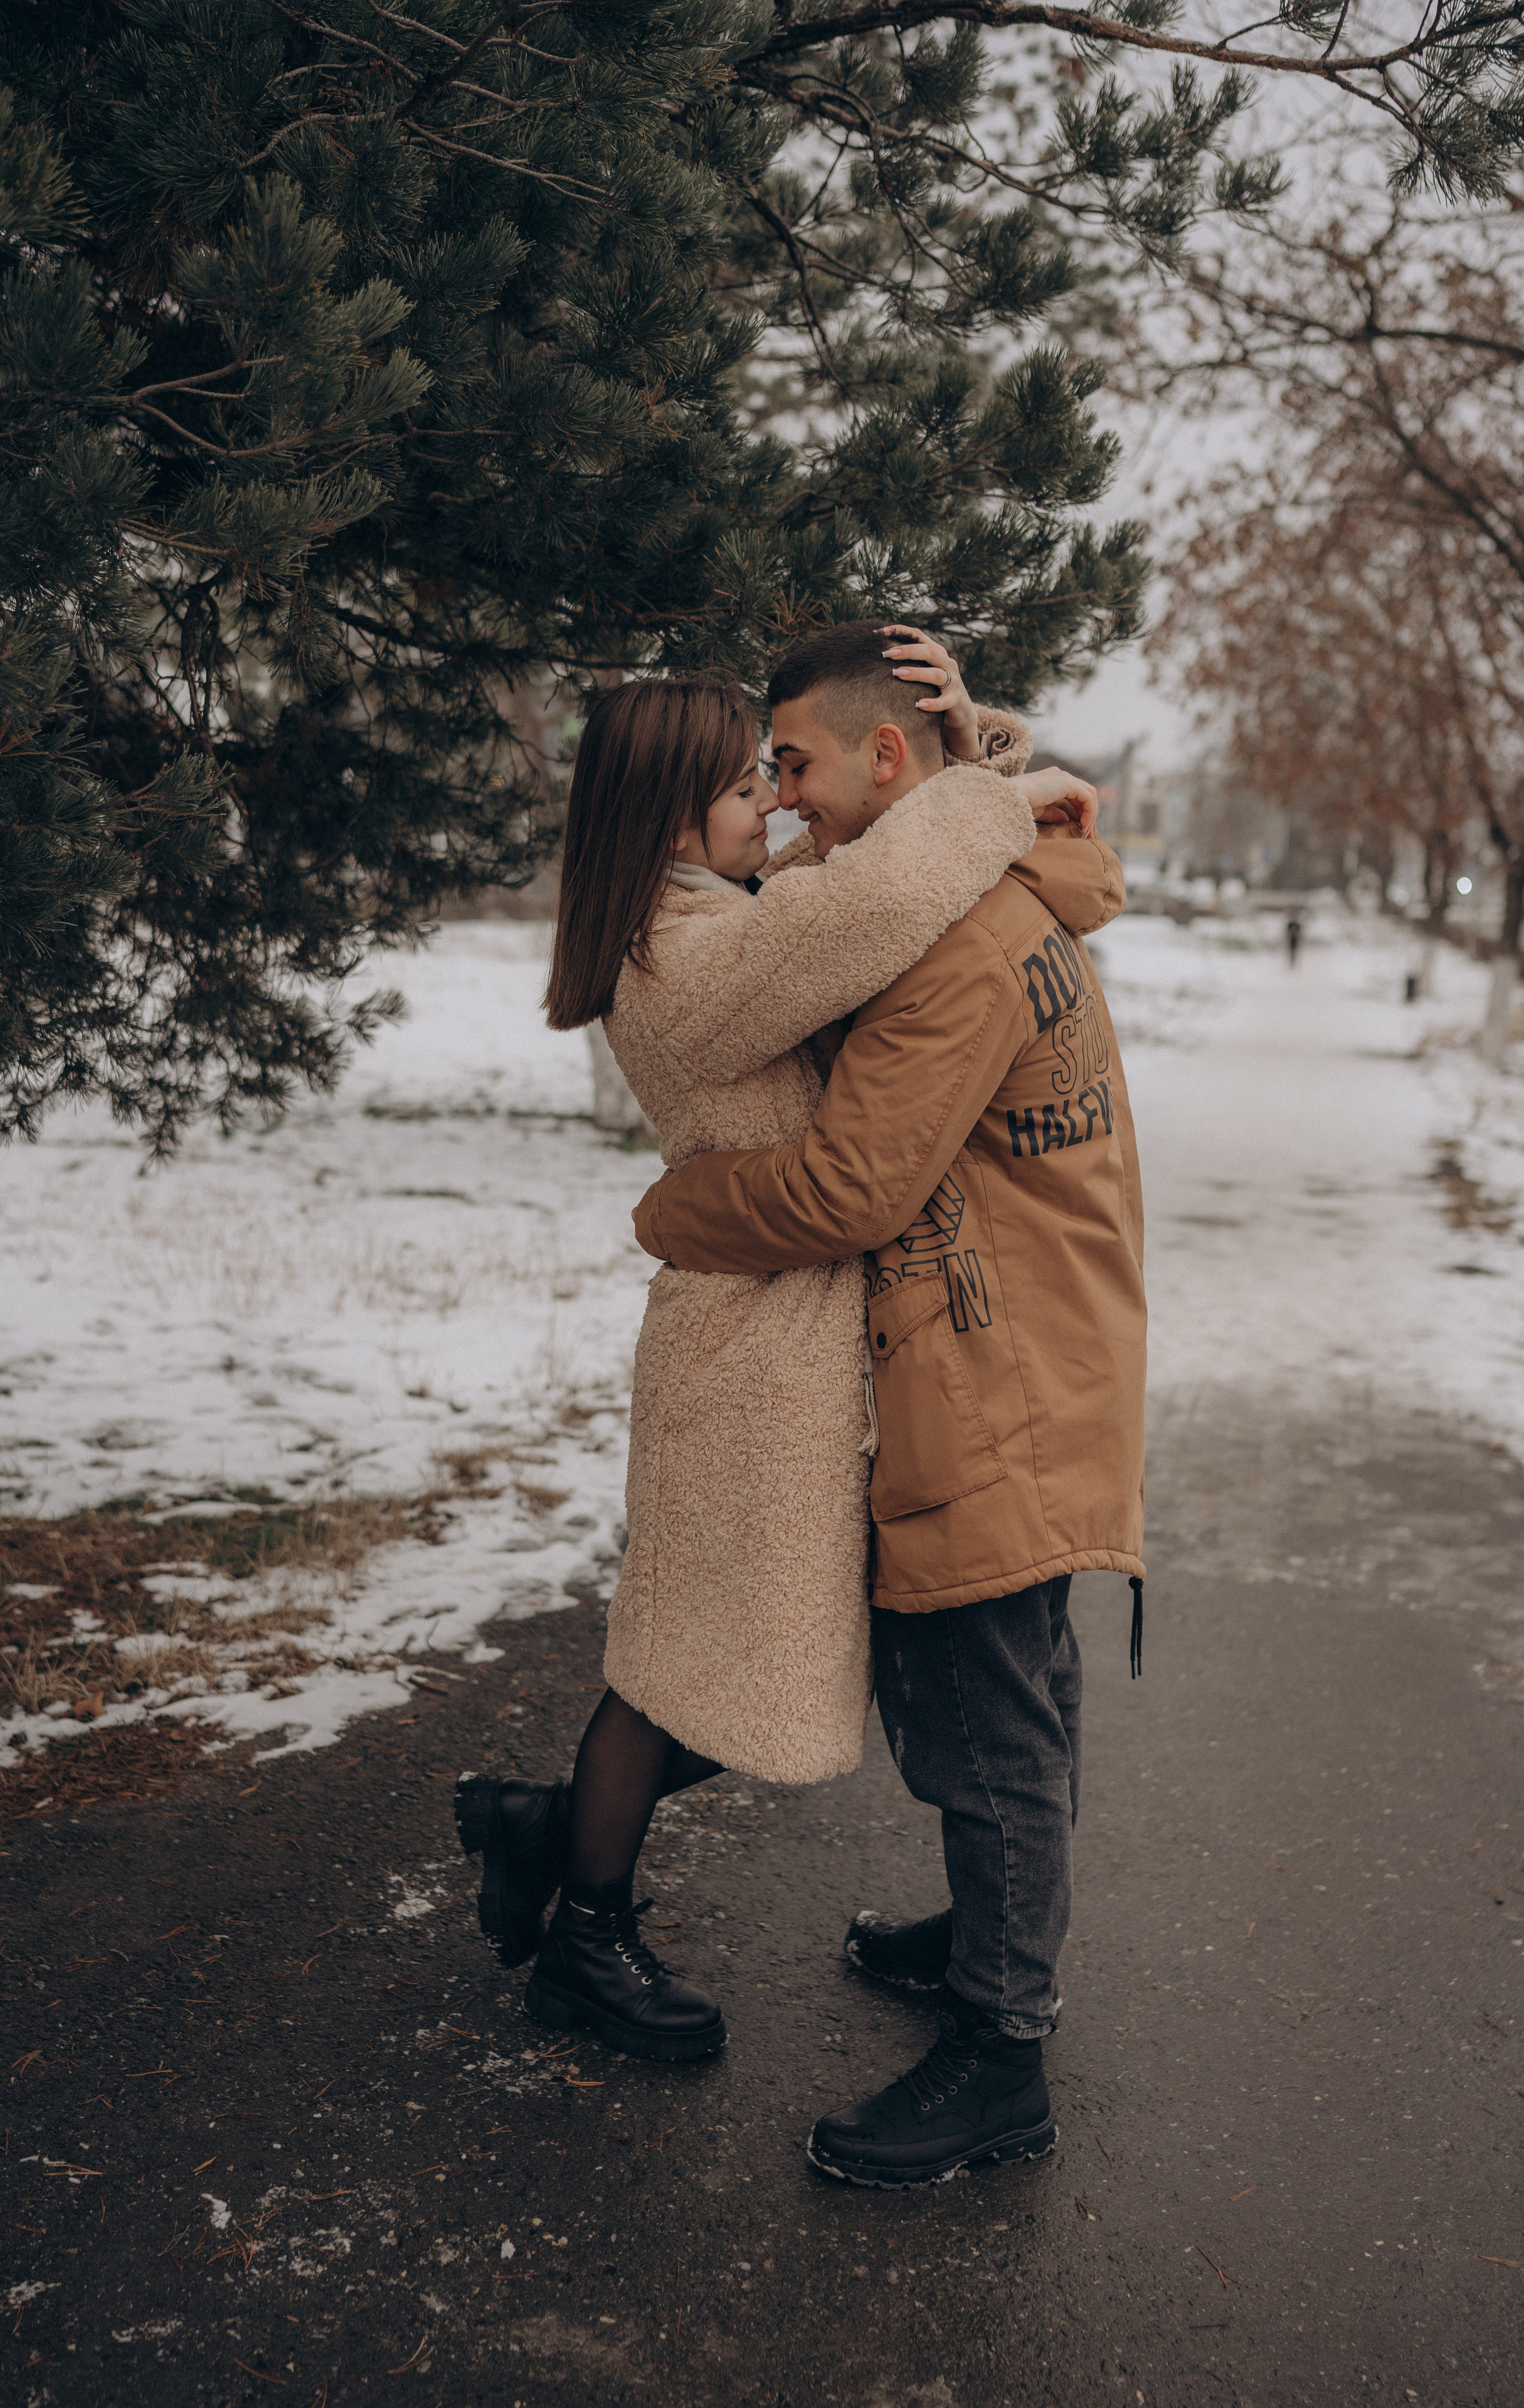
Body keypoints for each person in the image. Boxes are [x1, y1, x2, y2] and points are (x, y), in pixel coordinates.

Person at [455, 633, 1114, 2070]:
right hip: (745, 1351)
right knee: (687, 1660)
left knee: (768, 1658)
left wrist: (961, 744)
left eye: (775, 774)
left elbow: (873, 863)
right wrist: (995, 788)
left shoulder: (717, 909)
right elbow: (876, 893)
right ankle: (586, 1927)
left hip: (783, 1335)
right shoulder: (687, 950)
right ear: (671, 811)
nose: (774, 808)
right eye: (749, 784)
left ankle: (544, 1834)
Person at [630, 620, 1147, 2186]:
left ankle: (1000, 2055)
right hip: (1033, 1356)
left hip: (985, 1375)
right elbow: (906, 863)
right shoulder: (983, 891)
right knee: (1016, 1681)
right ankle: (985, 1935)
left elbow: (853, 1184)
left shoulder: (949, 948)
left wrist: (675, 1213)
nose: (780, 809)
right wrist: (982, 759)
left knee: (980, 1713)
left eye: (792, 767)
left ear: (883, 759)